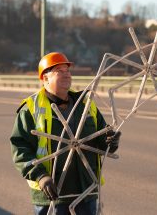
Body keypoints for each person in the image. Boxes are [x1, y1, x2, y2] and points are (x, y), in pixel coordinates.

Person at [10, 52, 121, 215]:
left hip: (85, 192)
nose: (66, 74)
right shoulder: (30, 109)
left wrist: (110, 142)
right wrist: (41, 177)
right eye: (59, 71)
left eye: (67, 70)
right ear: (45, 78)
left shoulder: (85, 104)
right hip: (52, 195)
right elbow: (20, 150)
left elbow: (101, 142)